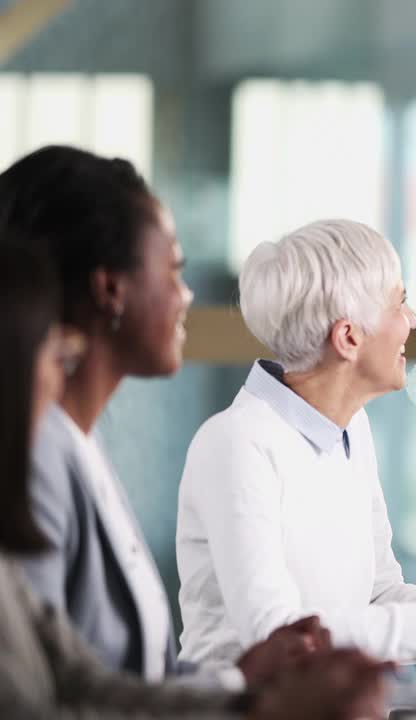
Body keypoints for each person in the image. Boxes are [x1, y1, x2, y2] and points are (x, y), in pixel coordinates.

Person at [0, 240, 390, 720]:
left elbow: (85, 682)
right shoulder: (234, 440)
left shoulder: (74, 462)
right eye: (56, 356)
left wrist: (245, 692)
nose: (186, 294)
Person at [0, 145, 325, 689]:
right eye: (173, 268)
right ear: (110, 289)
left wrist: (245, 684)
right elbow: (45, 701)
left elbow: (134, 678)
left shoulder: (81, 444)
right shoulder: (38, 459)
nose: (186, 294)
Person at [175, 219, 416, 666]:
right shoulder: (236, 443)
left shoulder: (351, 428)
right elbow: (280, 634)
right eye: (400, 302)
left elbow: (378, 593)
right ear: (349, 337)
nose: (411, 320)